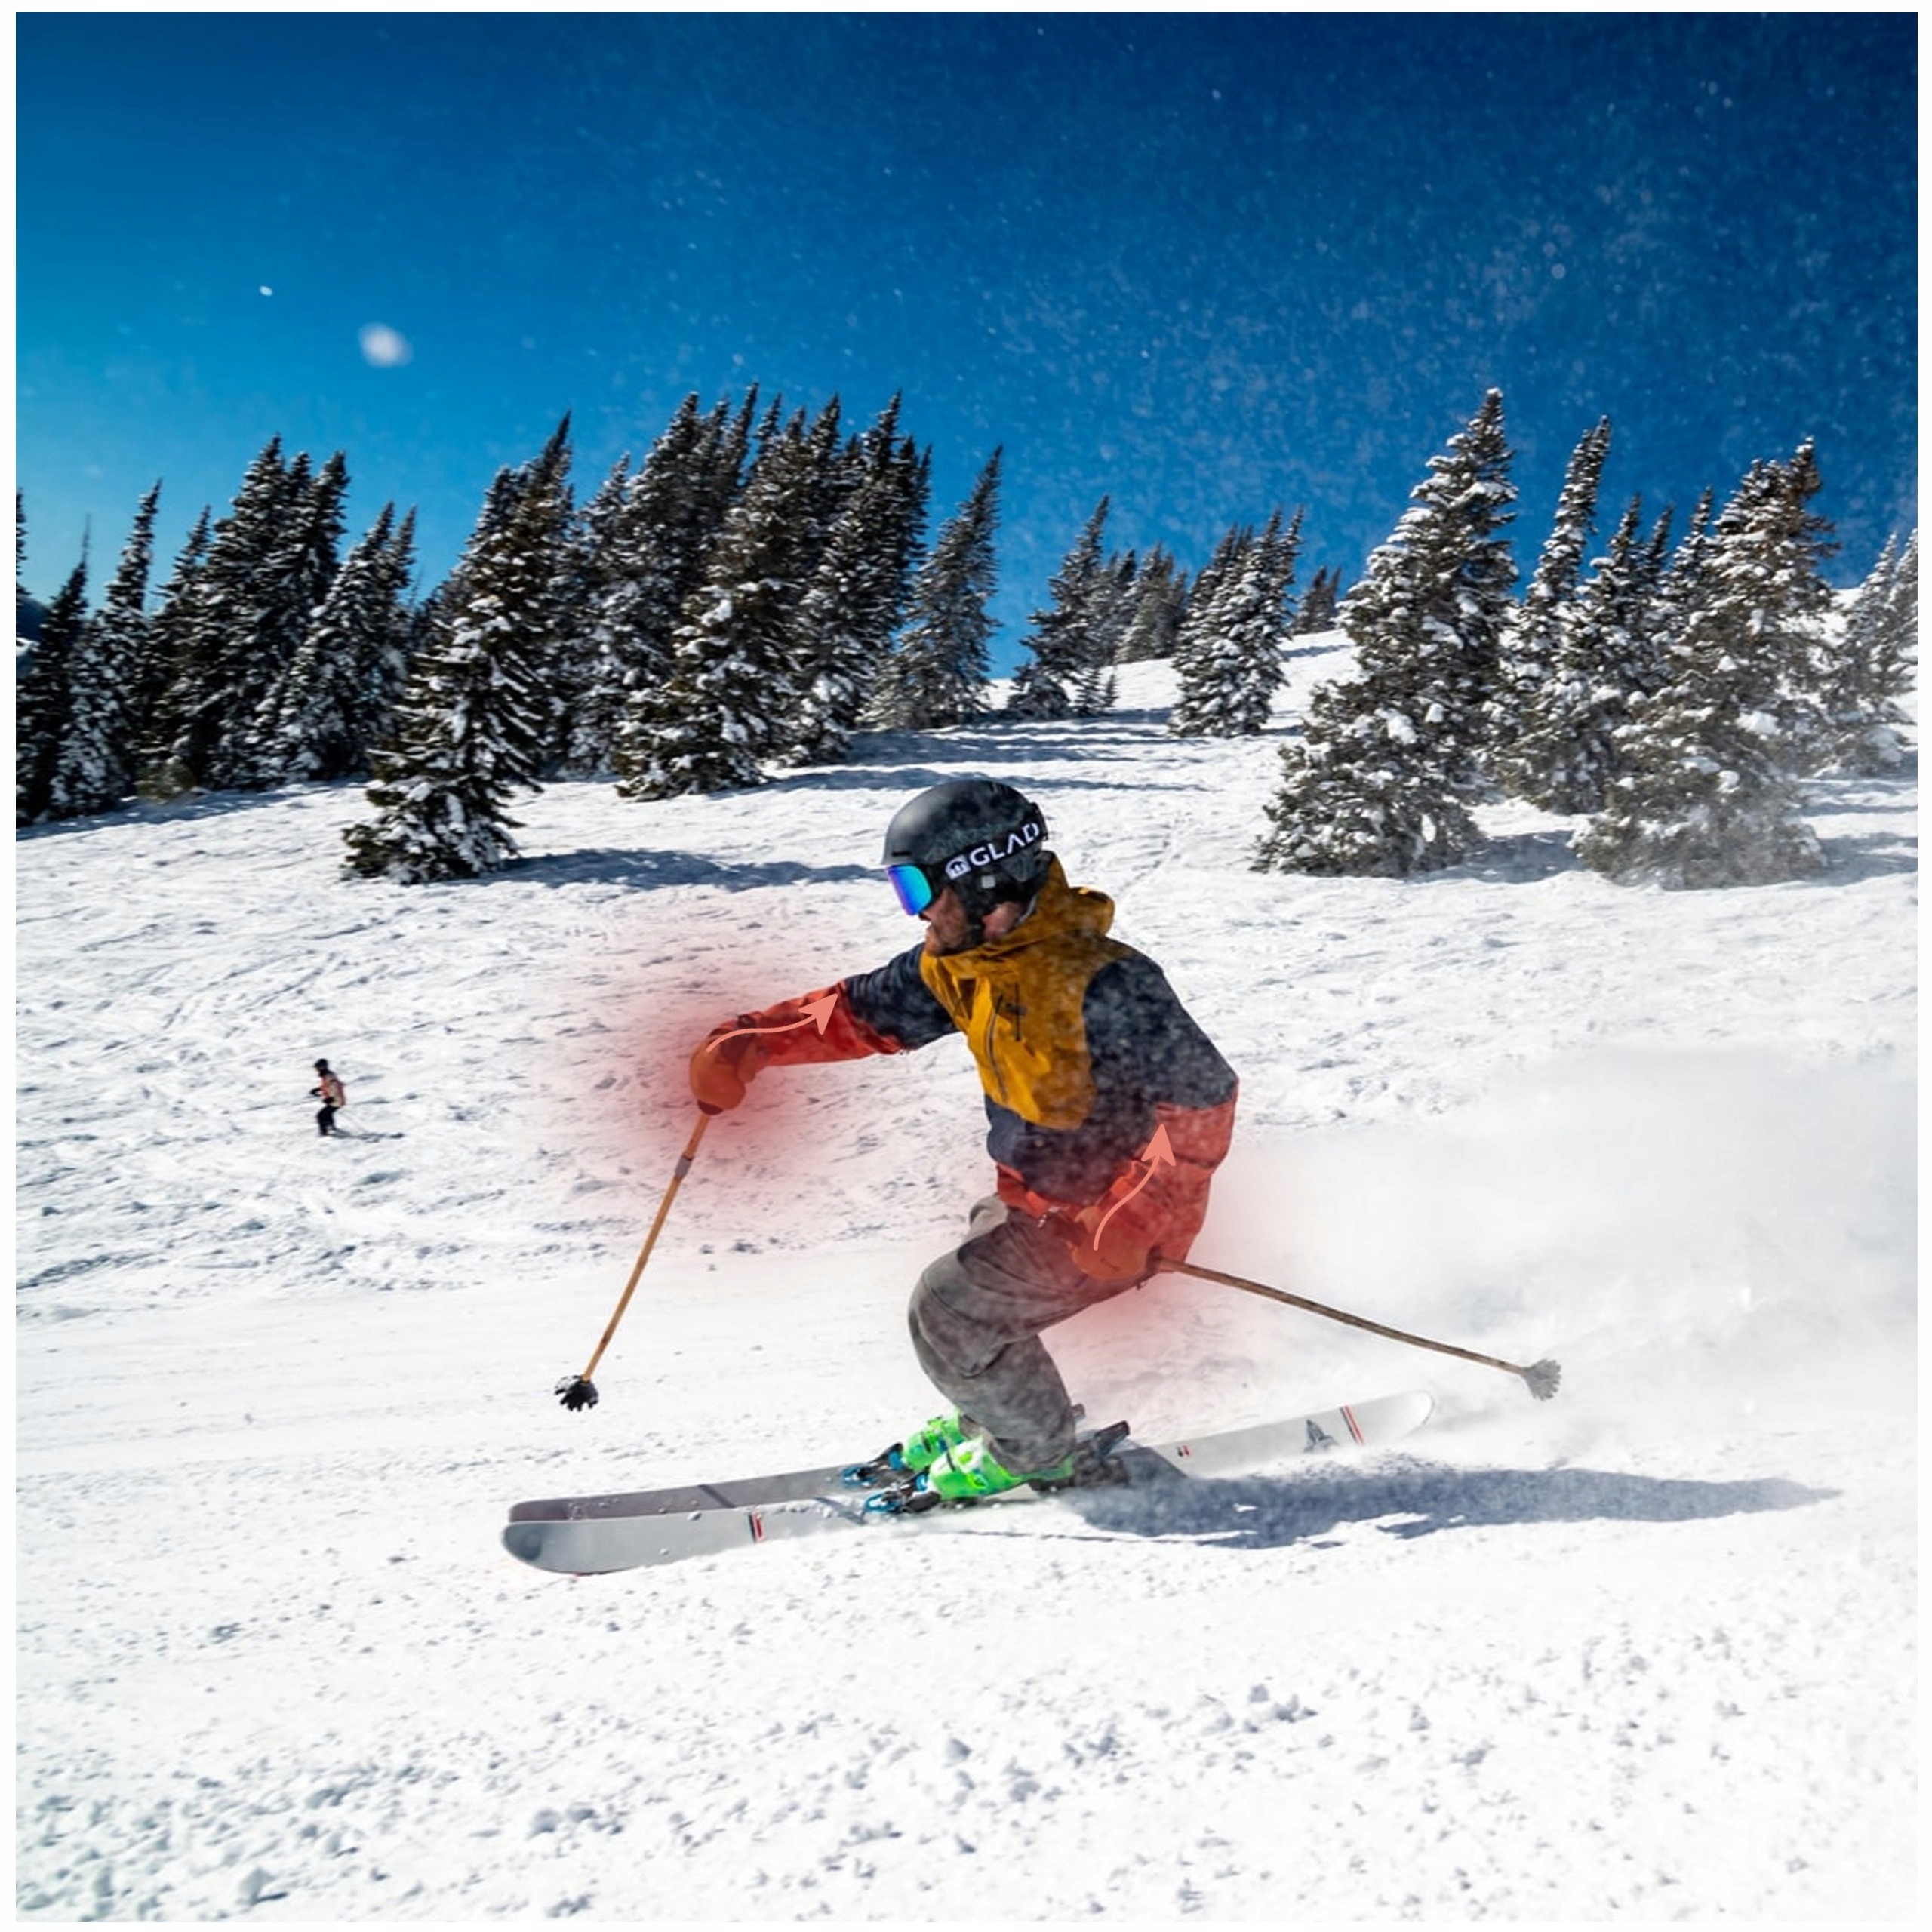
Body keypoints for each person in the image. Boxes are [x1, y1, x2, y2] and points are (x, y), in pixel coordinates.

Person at [688, 778, 1238, 1503]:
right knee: (978, 1299)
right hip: (1034, 1198)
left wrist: (1133, 1215)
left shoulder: (1106, 983)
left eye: (917, 888)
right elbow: (858, 1013)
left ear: (984, 882)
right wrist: (751, 1044)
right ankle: (1003, 1410)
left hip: (1118, 1221)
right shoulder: (963, 966)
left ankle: (1037, 1450)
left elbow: (1205, 1099)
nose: (915, 911)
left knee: (948, 1310)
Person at [311, 1058, 346, 1137]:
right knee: (327, 1114)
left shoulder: (329, 1076)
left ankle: (324, 1133)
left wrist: (331, 1098)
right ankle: (331, 1128)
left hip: (336, 1100)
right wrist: (317, 1089)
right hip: (335, 1100)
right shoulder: (327, 1076)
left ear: (323, 1067)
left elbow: (335, 1087)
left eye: (318, 1068)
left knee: (321, 1116)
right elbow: (328, 1086)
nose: (317, 1070)